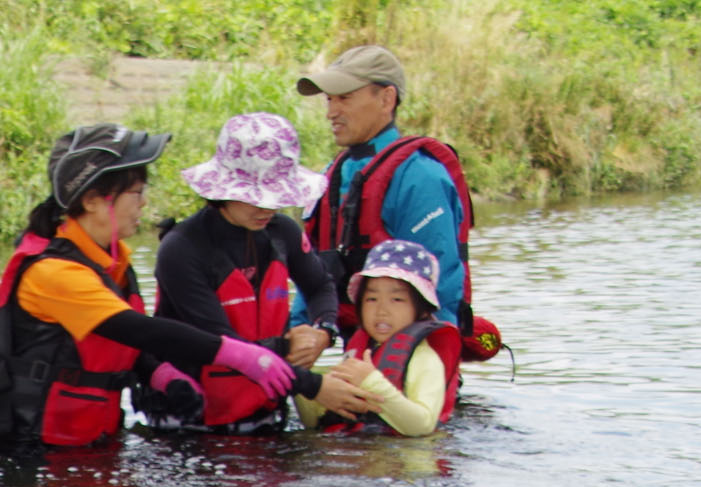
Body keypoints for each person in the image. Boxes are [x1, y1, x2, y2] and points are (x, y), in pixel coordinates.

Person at [0, 125, 297, 456]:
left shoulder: (111, 260)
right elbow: (139, 330)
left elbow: (121, 344)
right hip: (34, 455)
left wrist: (162, 375)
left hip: (86, 444)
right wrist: (240, 355)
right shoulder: (54, 273)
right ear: (94, 201)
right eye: (137, 193)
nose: (144, 202)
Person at [141, 112, 363, 433]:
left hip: (264, 412)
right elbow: (222, 346)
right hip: (190, 422)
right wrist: (312, 383)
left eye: (276, 197)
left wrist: (322, 332)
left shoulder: (281, 232)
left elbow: (320, 286)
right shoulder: (181, 249)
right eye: (255, 197)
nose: (267, 209)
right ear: (221, 190)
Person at [296, 44, 494, 359]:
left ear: (386, 99)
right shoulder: (330, 176)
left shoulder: (420, 178)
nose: (331, 112)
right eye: (329, 100)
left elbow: (441, 286)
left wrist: (420, 373)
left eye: (344, 98)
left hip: (415, 360)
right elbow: (313, 272)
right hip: (357, 353)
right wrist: (302, 336)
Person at [295, 240, 459, 437]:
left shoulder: (426, 360)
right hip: (357, 455)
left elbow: (422, 425)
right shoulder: (360, 352)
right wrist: (301, 381)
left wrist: (372, 383)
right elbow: (314, 423)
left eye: (397, 299)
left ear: (423, 309)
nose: (381, 311)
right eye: (371, 299)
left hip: (406, 463)